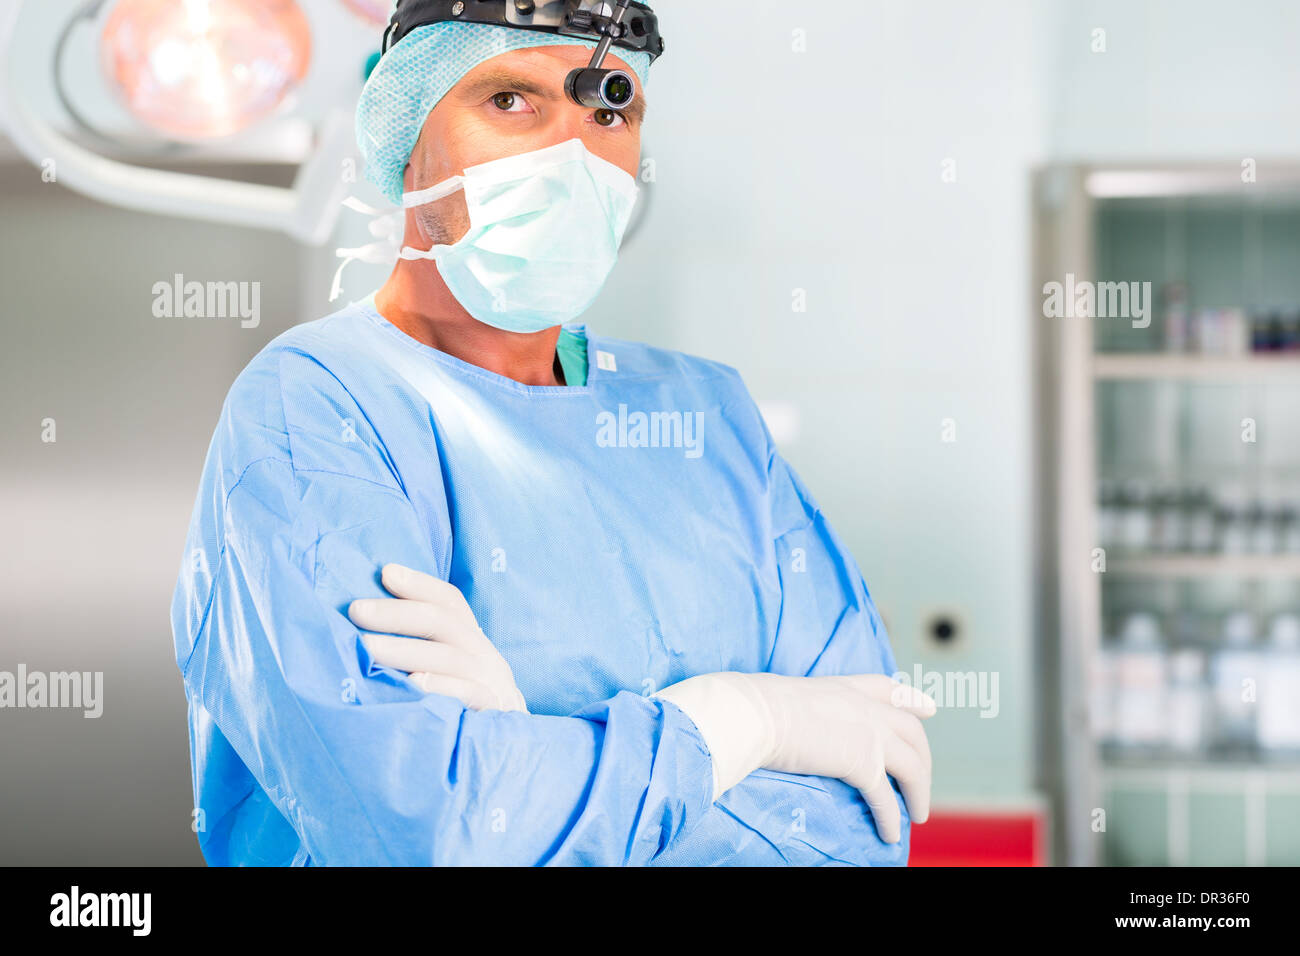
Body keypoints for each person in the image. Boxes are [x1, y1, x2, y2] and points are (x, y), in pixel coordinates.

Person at [171, 13, 935, 867]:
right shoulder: (316, 408)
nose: (572, 152)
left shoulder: (708, 417)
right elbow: (416, 834)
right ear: (403, 138)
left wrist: (526, 750)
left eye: (612, 109)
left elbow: (868, 822)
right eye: (510, 99)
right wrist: (740, 723)